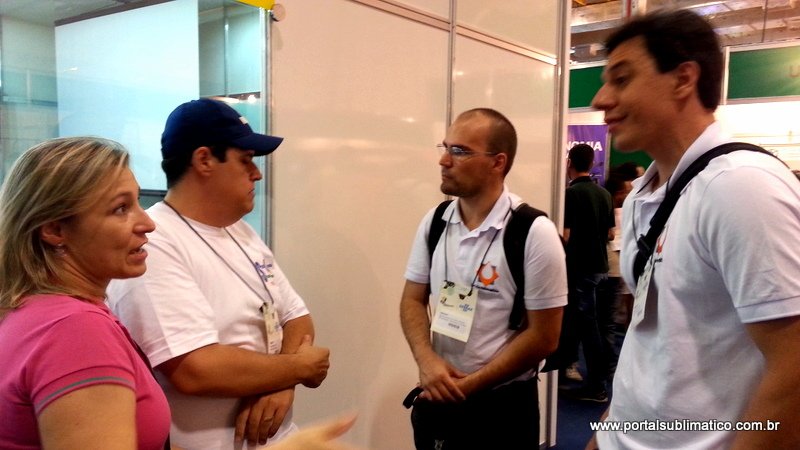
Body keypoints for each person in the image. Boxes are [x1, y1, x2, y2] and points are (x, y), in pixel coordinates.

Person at [588, 9, 800, 449]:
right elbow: (653, 339)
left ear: (684, 79)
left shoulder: (739, 186)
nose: (600, 99)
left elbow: (794, 367)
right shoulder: (647, 193)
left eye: (622, 79)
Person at [107, 98, 330, 450]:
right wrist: (298, 369)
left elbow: (297, 318)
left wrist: (280, 383)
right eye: (246, 160)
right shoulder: (155, 242)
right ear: (204, 160)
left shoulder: (241, 230)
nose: (256, 173)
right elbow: (195, 369)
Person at [400, 108, 567, 449]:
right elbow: (412, 299)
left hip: (503, 410)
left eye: (460, 151)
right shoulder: (435, 221)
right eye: (445, 147)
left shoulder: (533, 231)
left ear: (497, 162)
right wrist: (427, 361)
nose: (444, 160)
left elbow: (544, 337)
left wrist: (470, 385)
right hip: (438, 398)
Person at [0, 137, 170, 449]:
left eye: (137, 202)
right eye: (121, 209)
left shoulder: (32, 311)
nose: (147, 223)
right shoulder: (75, 330)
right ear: (55, 230)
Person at [559, 144, 615, 403]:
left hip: (580, 269)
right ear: (592, 164)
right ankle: (597, 380)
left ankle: (597, 387)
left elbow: (566, 236)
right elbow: (611, 234)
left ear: (569, 163)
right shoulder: (604, 194)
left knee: (587, 329)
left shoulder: (570, 195)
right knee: (598, 328)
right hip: (602, 268)